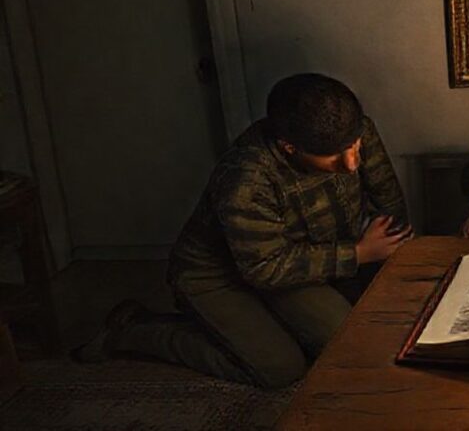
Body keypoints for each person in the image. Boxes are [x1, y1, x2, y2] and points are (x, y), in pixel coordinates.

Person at [73, 73, 412, 389]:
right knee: (280, 369)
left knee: (351, 342)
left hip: (303, 264)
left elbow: (388, 200)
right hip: (221, 275)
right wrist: (360, 253)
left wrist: (393, 248)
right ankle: (133, 330)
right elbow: (264, 268)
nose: (352, 162)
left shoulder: (352, 131)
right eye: (334, 157)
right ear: (288, 147)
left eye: (354, 146)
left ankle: (271, 326)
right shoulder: (246, 177)